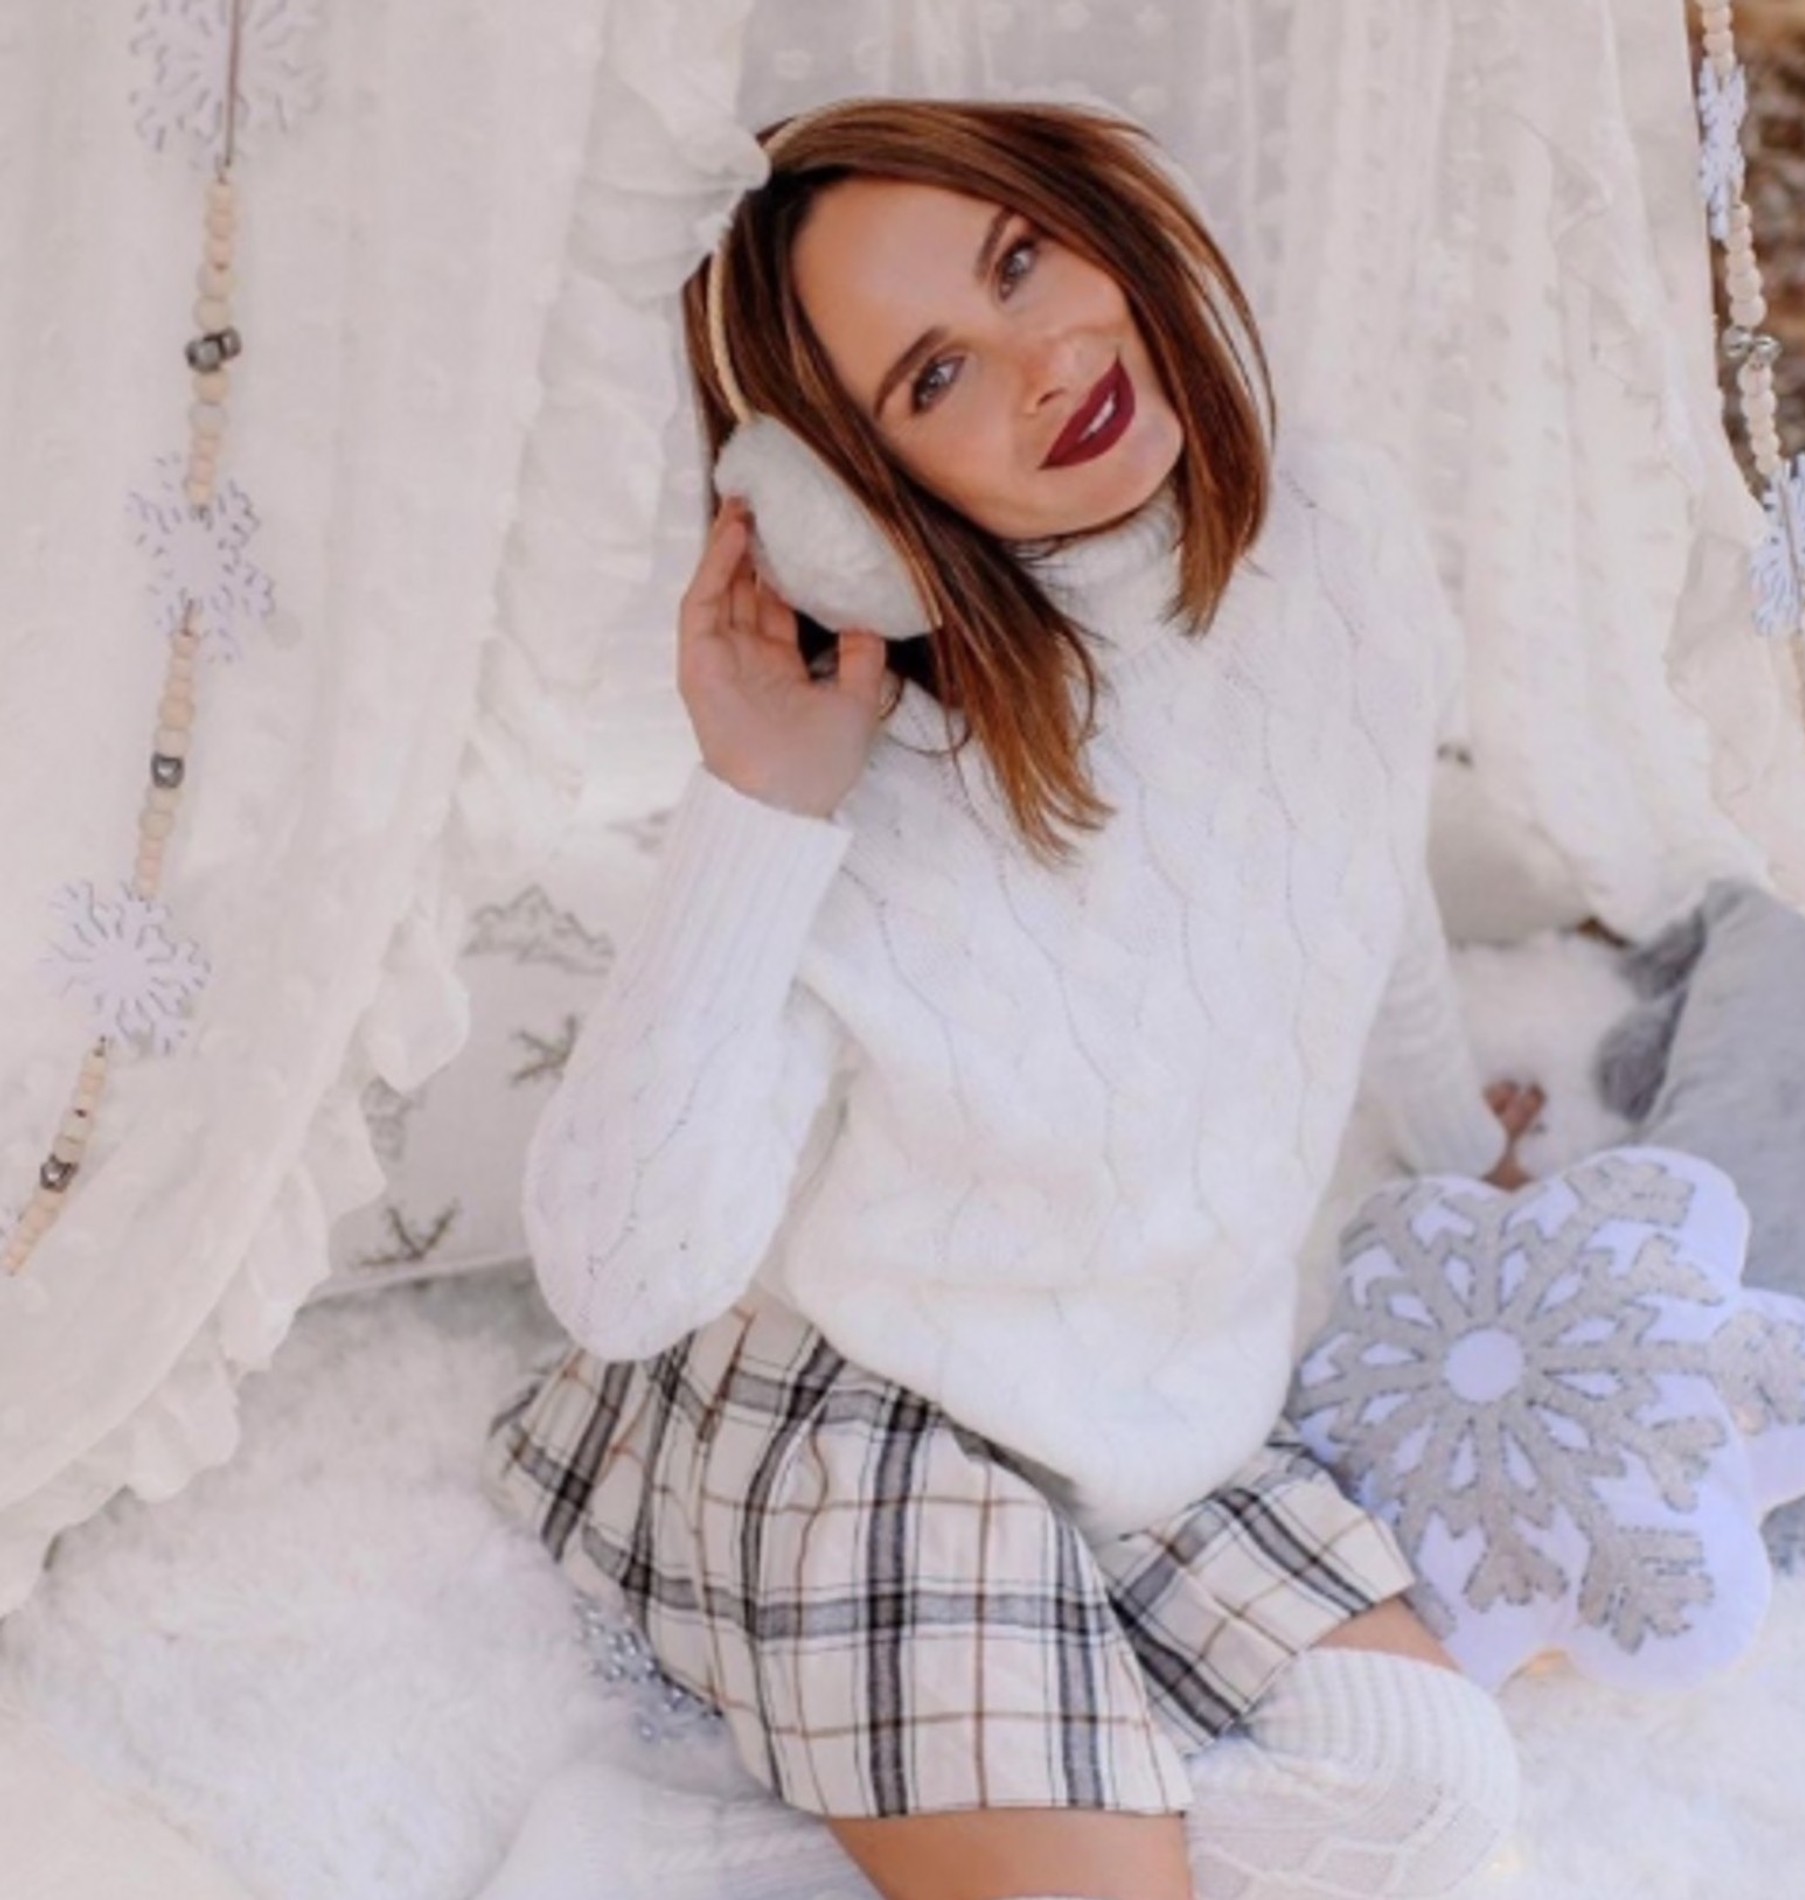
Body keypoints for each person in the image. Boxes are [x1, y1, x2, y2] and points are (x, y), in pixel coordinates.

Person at [478, 96, 1542, 1900]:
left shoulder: (1342, 536)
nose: (1046, 362)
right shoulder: (865, 789)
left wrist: (1459, 1160)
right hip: (868, 1419)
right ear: (852, 499)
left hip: (1166, 1407)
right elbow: (622, 1276)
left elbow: (1359, 894)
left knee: (1436, 1806)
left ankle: (730, 1853)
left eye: (1021, 259)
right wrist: (760, 805)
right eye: (935, 378)